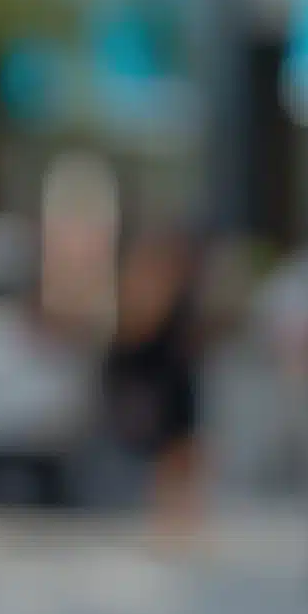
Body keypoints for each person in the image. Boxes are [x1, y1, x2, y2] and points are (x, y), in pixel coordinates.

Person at [101, 222, 212, 552]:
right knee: (167, 454)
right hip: (155, 383)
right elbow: (130, 337)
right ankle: (167, 520)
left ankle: (178, 519)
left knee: (182, 453)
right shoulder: (143, 289)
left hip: (175, 381)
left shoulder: (179, 292)